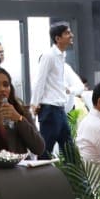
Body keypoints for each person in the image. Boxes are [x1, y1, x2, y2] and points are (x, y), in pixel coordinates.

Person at [29, 23, 75, 160]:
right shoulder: (49, 55)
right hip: (50, 109)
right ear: (57, 38)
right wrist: (34, 104)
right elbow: (39, 81)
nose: (71, 35)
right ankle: (41, 174)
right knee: (46, 151)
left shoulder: (61, 56)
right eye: (67, 33)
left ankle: (72, 174)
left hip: (59, 109)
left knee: (69, 150)